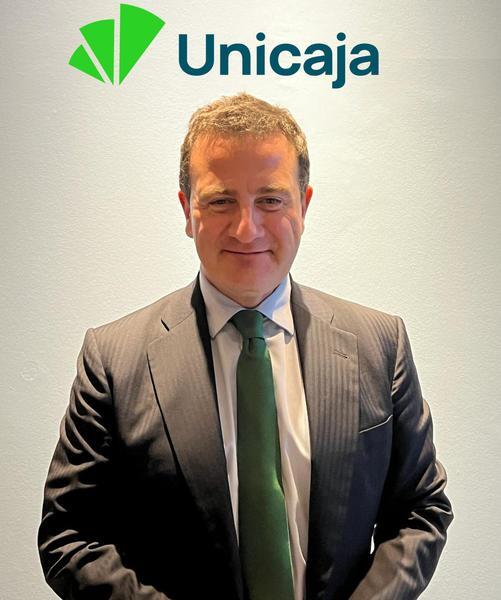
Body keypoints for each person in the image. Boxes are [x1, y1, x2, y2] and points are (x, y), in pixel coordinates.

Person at [38, 92, 453, 600]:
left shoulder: (379, 345)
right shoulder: (113, 360)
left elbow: (420, 510)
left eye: (271, 200)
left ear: (304, 205)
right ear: (187, 209)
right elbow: (69, 537)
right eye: (221, 201)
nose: (246, 227)